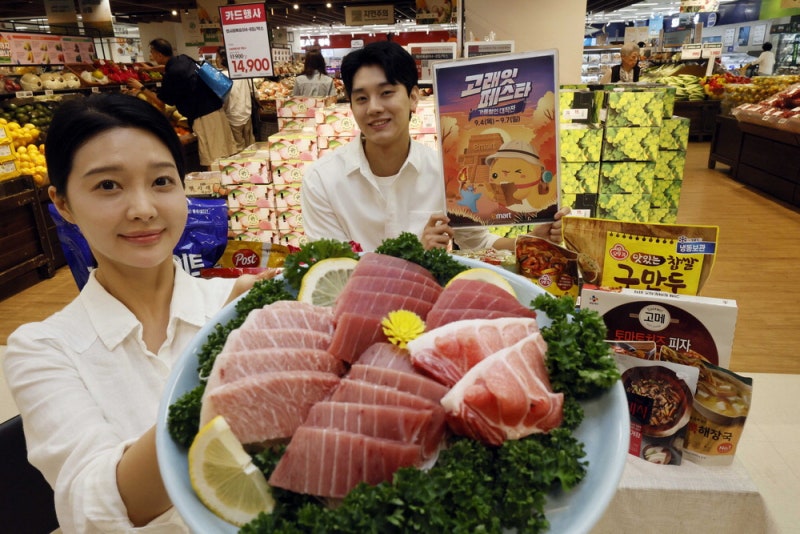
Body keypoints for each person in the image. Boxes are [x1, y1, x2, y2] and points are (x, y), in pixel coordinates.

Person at [2, 93, 270, 532]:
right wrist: (219, 359)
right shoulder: (43, 350)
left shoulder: (233, 300)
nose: (143, 209)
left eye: (162, 181)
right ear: (63, 203)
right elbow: (95, 510)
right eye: (108, 185)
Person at [300, 40, 568, 253]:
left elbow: (478, 242)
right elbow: (331, 269)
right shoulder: (322, 180)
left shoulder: (445, 175)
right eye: (361, 98)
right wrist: (415, 253)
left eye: (386, 93)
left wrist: (533, 240)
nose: (374, 108)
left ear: (414, 98)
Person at [127, 38, 236, 168]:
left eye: (152, 53)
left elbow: (161, 101)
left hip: (205, 117)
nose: (151, 56)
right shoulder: (182, 59)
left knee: (214, 157)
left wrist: (141, 87)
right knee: (224, 151)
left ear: (159, 54)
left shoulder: (172, 74)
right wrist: (150, 70)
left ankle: (217, 184)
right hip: (216, 110)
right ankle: (228, 180)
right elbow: (168, 68)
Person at [217, 46, 256, 152]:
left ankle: (242, 167)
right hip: (246, 113)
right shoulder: (242, 73)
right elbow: (254, 92)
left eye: (218, 57)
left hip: (232, 116)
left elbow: (220, 99)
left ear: (222, 59)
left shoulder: (220, 77)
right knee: (250, 145)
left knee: (238, 147)